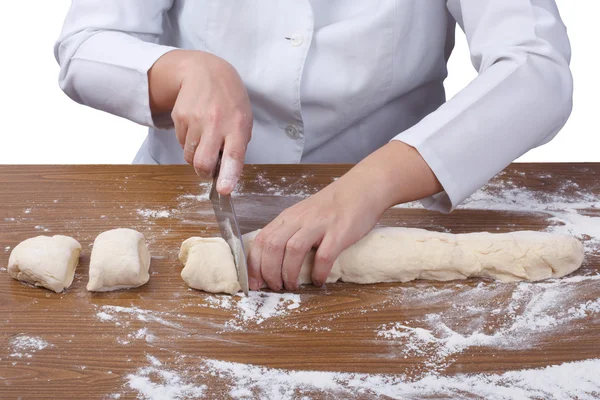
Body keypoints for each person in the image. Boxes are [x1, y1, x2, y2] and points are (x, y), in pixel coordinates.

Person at [55, 1, 573, 292]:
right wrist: (185, 69)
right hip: (181, 204)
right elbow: (86, 43)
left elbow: (534, 68)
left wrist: (371, 184)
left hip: (396, 208)